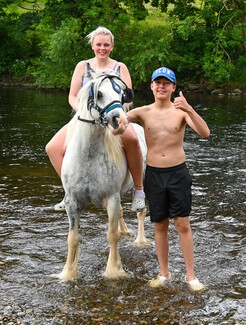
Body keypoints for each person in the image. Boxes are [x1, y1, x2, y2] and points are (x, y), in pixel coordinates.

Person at [126, 67, 210, 291]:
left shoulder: (181, 112)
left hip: (177, 174)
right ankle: (164, 273)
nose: (161, 86)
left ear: (173, 87)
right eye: (158, 82)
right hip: (154, 174)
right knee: (160, 225)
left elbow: (205, 133)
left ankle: (191, 276)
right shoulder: (142, 112)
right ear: (152, 86)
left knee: (182, 224)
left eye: (166, 83)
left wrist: (190, 108)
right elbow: (117, 120)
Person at [45, 26, 145, 212]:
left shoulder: (120, 67)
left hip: (112, 116)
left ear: (112, 46)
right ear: (92, 45)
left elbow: (128, 98)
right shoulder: (82, 66)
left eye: (106, 45)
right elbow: (73, 96)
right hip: (85, 118)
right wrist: (83, 111)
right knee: (51, 148)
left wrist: (114, 114)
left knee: (132, 139)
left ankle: (139, 190)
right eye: (98, 44)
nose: (102, 48)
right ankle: (69, 192)